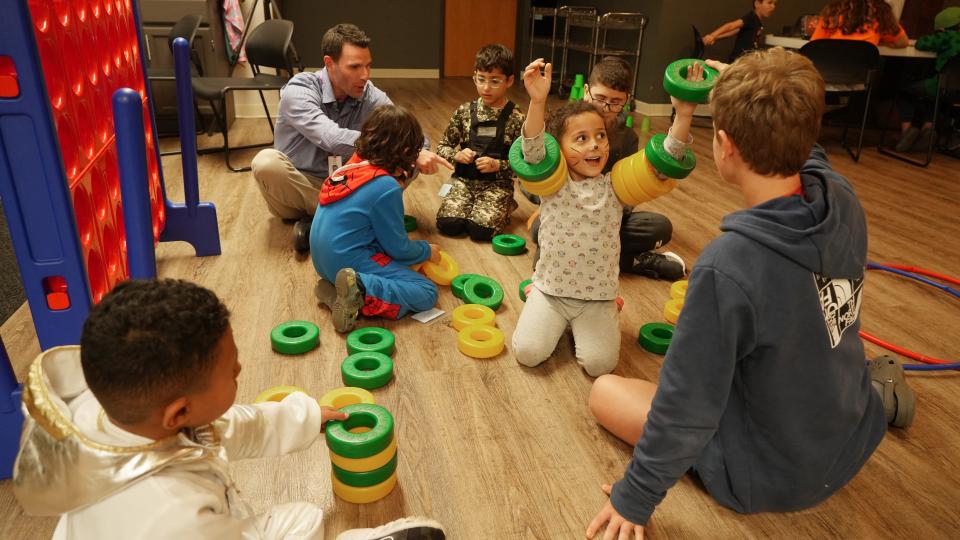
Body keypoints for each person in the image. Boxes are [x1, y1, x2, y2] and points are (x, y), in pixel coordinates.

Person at [584, 48, 894, 539]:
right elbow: (807, 151)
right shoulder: (843, 199)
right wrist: (757, 86)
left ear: (724, 145)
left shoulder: (728, 266)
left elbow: (688, 406)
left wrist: (635, 498)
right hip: (850, 437)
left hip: (767, 474)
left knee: (605, 393)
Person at [12, 278, 446, 540]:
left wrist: (308, 416)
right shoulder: (172, 513)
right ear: (179, 413)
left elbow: (227, 427)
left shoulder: (116, 409)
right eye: (233, 373)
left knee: (304, 516)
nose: (240, 370)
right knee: (303, 522)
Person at [510, 59, 698, 377]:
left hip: (597, 297)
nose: (594, 145)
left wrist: (684, 113)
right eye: (581, 139)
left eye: (599, 136)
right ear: (559, 147)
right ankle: (535, 295)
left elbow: (666, 160)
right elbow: (532, 148)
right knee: (528, 354)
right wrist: (538, 101)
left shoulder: (615, 187)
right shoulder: (552, 184)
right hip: (551, 291)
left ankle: (612, 308)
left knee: (600, 366)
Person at [251, 23, 450, 252]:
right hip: (299, 186)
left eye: (368, 66)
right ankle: (350, 220)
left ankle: (323, 222)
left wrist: (414, 152)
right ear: (329, 63)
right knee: (266, 162)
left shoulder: (370, 94)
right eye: (355, 67)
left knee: (410, 158)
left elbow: (411, 134)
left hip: (347, 186)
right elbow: (332, 138)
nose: (364, 75)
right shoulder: (299, 90)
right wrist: (397, 147)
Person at [527, 57, 686, 281]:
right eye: (600, 99)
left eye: (615, 102)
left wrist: (683, 114)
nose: (606, 108)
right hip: (565, 215)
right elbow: (535, 163)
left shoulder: (627, 138)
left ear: (626, 101)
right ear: (586, 91)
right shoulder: (565, 125)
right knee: (538, 229)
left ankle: (599, 256)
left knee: (660, 227)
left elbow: (633, 189)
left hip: (609, 218)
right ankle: (634, 261)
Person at [310, 105, 441, 333]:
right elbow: (399, 248)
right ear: (408, 150)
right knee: (426, 292)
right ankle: (359, 290)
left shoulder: (349, 168)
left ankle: (334, 293)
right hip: (346, 262)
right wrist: (426, 250)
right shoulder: (385, 186)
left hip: (322, 262)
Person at [435, 44, 525, 241]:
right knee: (448, 225)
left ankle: (506, 204)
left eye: (495, 81)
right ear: (474, 76)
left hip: (497, 185)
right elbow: (442, 147)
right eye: (480, 79)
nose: (486, 87)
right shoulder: (464, 111)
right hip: (464, 181)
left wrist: (498, 165)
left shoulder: (517, 118)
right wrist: (456, 155)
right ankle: (470, 206)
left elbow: (525, 165)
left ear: (509, 80)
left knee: (480, 232)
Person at [894, 6, 960, 152]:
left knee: (906, 90)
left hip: (943, 86)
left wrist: (939, 35)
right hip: (956, 93)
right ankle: (927, 128)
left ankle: (907, 131)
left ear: (942, 28)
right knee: (927, 96)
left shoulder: (947, 36)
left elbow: (921, 43)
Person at [703, 0, 778, 62]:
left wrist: (716, 37)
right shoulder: (751, 17)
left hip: (746, 61)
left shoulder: (757, 21)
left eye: (775, 3)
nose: (773, 7)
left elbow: (735, 31)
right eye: (770, 2)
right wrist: (712, 35)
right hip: (738, 61)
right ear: (757, 4)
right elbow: (731, 26)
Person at [810, 0, 909, 47]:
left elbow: (813, 46)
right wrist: (880, 42)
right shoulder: (881, 12)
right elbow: (902, 42)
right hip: (859, 81)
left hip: (827, 78)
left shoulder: (833, 10)